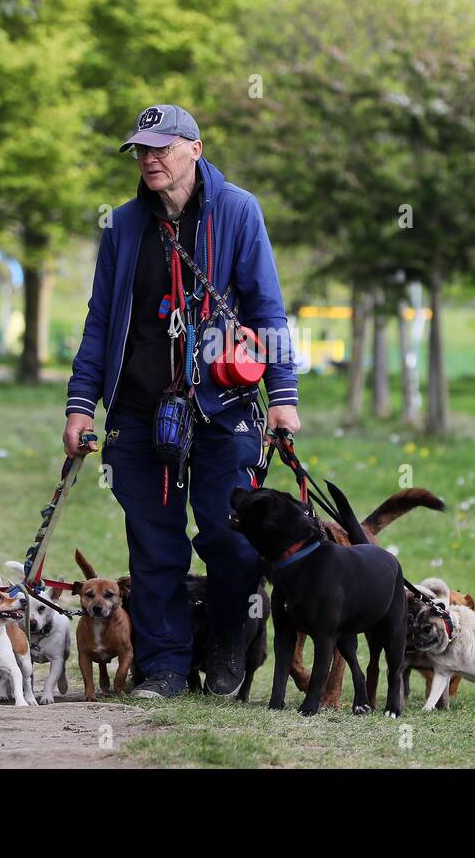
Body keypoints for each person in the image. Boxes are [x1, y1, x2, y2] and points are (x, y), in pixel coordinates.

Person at [62, 105, 300, 699]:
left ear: (195, 148)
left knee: (229, 535)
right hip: (141, 410)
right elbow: (99, 322)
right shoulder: (121, 227)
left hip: (226, 405)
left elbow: (268, 309)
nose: (148, 159)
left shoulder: (239, 211)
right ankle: (165, 667)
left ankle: (226, 651)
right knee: (153, 541)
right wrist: (80, 404)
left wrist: (283, 396)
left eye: (160, 148)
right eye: (140, 150)